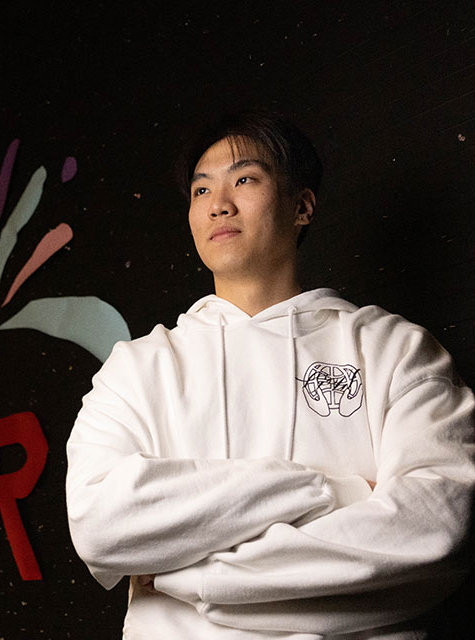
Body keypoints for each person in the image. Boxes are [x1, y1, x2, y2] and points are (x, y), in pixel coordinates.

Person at [65, 110, 475, 639]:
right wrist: (335, 493)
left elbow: (437, 527)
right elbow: (100, 524)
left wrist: (186, 576)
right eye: (200, 190)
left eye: (244, 179)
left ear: (302, 206)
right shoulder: (138, 367)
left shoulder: (395, 349)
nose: (219, 204)